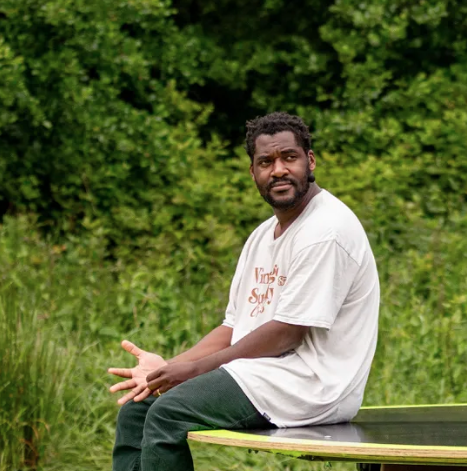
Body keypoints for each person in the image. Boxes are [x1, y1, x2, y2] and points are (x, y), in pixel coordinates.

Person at [107, 112, 380, 470]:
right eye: (266, 162)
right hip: (262, 375)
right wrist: (167, 370)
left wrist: (191, 372)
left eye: (289, 158)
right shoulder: (261, 236)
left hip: (310, 387)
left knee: (168, 414)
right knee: (138, 407)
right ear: (253, 172)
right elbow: (234, 328)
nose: (278, 170)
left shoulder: (326, 230)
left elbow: (287, 332)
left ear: (310, 161)